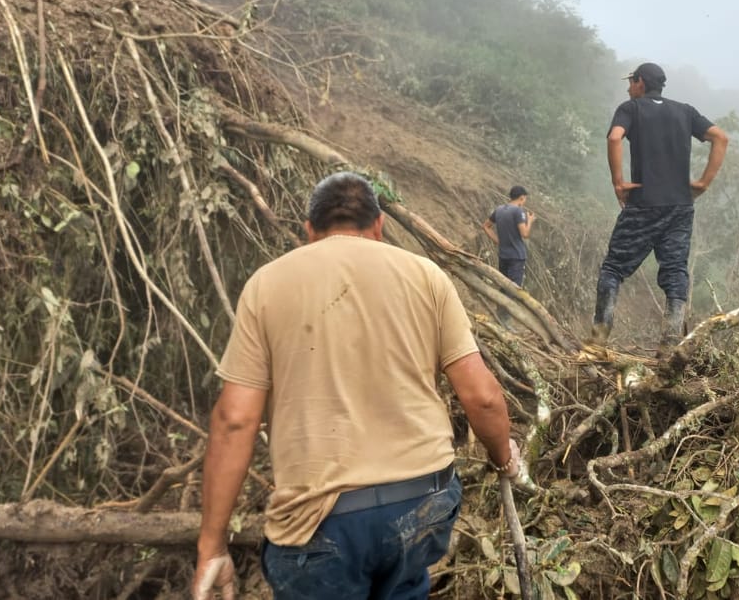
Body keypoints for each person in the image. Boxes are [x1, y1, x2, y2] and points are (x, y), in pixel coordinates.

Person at [193, 172, 521, 600]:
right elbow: (482, 397)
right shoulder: (426, 276)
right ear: (379, 226)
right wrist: (504, 459)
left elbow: (235, 421)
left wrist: (211, 545)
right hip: (422, 503)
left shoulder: (266, 286)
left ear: (310, 231)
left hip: (321, 524)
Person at [590, 63, 729, 346]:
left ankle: (598, 341)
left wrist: (618, 183)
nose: (629, 88)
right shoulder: (685, 111)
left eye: (631, 82)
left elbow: (615, 137)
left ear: (640, 82)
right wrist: (702, 183)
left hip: (644, 203)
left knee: (614, 268)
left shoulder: (631, 109)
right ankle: (669, 345)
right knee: (676, 269)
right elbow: (720, 138)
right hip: (680, 206)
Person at [481, 185, 536, 288]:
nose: (524, 202)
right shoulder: (518, 211)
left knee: (503, 286)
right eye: (525, 199)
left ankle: (501, 304)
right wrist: (529, 221)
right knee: (514, 290)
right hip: (516, 257)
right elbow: (525, 234)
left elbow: (485, 226)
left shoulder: (499, 209)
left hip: (503, 256)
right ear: (522, 197)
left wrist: (498, 241)